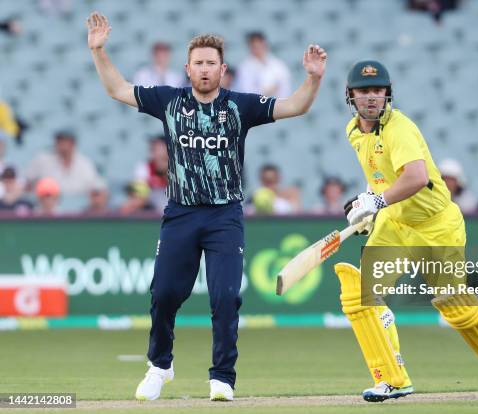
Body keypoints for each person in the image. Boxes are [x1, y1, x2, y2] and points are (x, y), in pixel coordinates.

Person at [87, 11, 326, 402]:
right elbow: (117, 88)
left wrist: (313, 78)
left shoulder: (240, 106)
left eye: (210, 63)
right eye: (197, 63)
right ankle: (160, 366)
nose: (203, 69)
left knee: (226, 296)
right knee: (164, 293)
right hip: (180, 213)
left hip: (224, 215)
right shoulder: (169, 101)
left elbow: (295, 106)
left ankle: (222, 377)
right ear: (187, 67)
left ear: (222, 68)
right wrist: (99, 51)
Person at [339, 60, 478, 402]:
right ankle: (393, 379)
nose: (371, 98)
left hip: (436, 226)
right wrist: (369, 205)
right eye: (364, 92)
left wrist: (376, 202)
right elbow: (380, 176)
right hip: (396, 223)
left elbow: (416, 178)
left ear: (387, 94)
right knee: (362, 298)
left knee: (455, 308)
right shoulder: (353, 131)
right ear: (350, 96)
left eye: (378, 90)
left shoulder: (399, 128)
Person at [25, 130, 102, 196]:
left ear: (73, 144)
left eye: (65, 142)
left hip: (79, 208)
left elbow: (96, 187)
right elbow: (27, 182)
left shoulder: (84, 163)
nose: (61, 145)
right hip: (49, 207)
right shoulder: (43, 160)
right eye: (59, 142)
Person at [235, 32, 292, 98]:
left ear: (265, 44)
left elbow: (285, 86)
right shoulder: (244, 67)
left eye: (260, 44)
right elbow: (246, 91)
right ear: (250, 46)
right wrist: (266, 92)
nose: (258, 48)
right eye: (254, 46)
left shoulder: (278, 64)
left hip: (278, 104)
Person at [134, 136, 168, 214]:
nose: (155, 154)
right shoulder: (145, 168)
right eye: (153, 150)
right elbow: (138, 198)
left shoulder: (182, 170)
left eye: (157, 149)